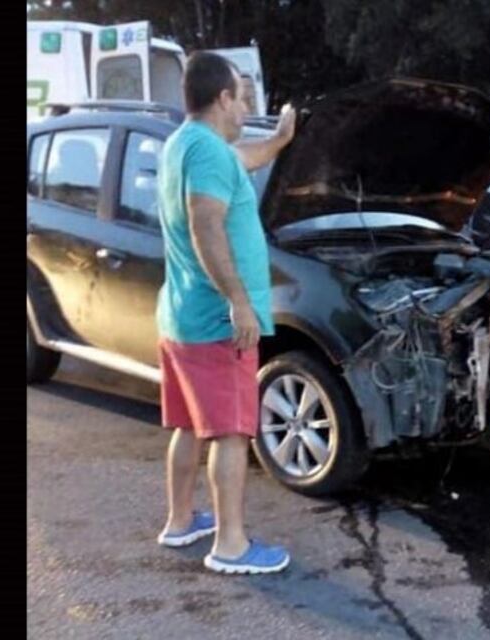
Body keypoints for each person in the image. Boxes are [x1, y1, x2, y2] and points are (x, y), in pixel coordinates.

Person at [154, 51, 296, 574]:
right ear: (222, 99)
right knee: (232, 433)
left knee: (190, 426)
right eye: (241, 96)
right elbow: (206, 225)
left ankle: (180, 521)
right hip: (217, 322)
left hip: (181, 315)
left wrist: (280, 140)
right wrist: (240, 301)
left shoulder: (185, 144)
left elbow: (246, 160)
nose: (245, 107)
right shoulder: (210, 153)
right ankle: (231, 545)